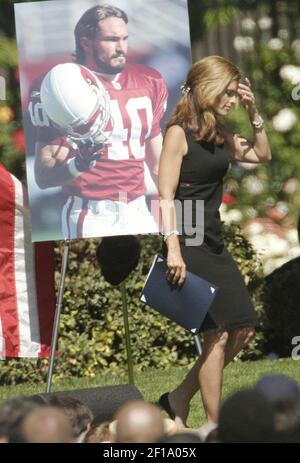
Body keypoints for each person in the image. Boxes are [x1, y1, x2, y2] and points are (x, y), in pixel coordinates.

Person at [158, 55, 272, 427]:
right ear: (206, 89)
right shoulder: (178, 133)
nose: (233, 100)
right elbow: (164, 196)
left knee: (244, 328)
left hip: (213, 237)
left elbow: (261, 154)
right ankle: (215, 425)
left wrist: (254, 113)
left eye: (236, 94)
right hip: (188, 237)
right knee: (219, 333)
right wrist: (173, 247)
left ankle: (177, 397)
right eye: (227, 93)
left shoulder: (220, 132)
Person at [30, 4, 168, 238]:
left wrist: (176, 216)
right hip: (91, 214)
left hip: (138, 210)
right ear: (86, 42)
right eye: (112, 39)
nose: (121, 47)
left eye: (125, 38)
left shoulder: (148, 80)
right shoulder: (62, 90)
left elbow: (157, 164)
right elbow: (44, 177)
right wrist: (79, 164)